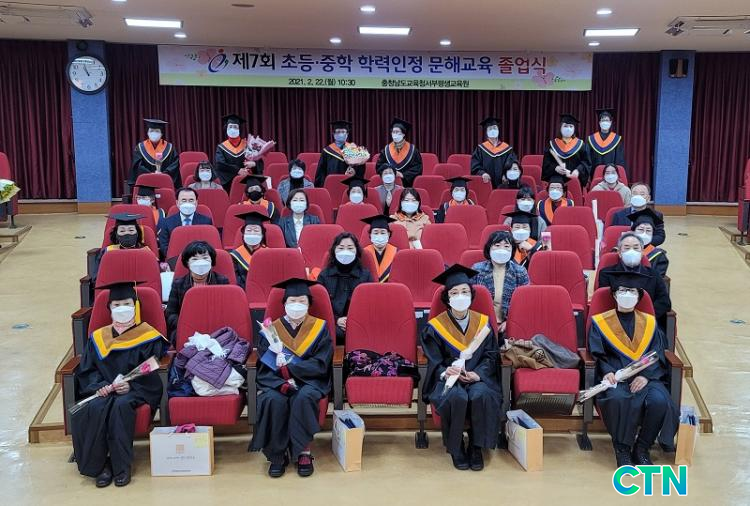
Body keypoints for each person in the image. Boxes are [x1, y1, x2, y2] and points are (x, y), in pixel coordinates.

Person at [70, 281, 168, 487]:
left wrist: (131, 386)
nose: (122, 308)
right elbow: (87, 370)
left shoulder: (148, 336)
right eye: (116, 305)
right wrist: (99, 386)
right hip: (104, 390)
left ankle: (121, 466)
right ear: (109, 309)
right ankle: (102, 467)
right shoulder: (98, 338)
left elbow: (151, 367)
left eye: (127, 304)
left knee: (120, 406)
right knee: (94, 407)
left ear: (135, 306)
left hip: (134, 390)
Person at [588, 271, 678, 467]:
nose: (627, 295)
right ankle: (622, 450)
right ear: (614, 294)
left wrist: (646, 376)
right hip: (616, 378)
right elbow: (597, 353)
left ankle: (642, 447)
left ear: (639, 296)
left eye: (632, 291)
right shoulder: (600, 322)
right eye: (622, 290)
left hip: (647, 378)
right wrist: (607, 371)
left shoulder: (650, 323)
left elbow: (658, 353)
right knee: (618, 399)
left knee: (659, 400)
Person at [421, 264, 502, 470]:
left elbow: (491, 356)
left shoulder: (483, 324)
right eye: (454, 292)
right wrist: (444, 371)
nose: (460, 296)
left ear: (471, 295)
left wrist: (477, 374)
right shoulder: (435, 327)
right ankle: (456, 448)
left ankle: (476, 447)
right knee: (456, 396)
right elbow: (434, 361)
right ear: (447, 297)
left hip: (477, 377)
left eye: (465, 291)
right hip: (449, 381)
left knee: (480, 394)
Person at [250, 278, 333, 478]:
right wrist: (282, 382)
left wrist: (292, 368)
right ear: (284, 304)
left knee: (304, 397)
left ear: (309, 304)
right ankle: (277, 454)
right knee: (272, 399)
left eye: (302, 301)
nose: (297, 305)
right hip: (277, 381)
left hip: (310, 380)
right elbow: (265, 363)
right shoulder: (271, 330)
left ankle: (303, 451)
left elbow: (321, 362)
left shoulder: (319, 328)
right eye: (292, 301)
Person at [597, 232, 671, 325]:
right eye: (627, 248)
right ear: (619, 253)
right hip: (615, 323)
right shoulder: (606, 274)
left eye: (636, 248)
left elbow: (664, 302)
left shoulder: (653, 274)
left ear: (642, 252)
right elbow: (605, 302)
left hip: (647, 322)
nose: (631, 251)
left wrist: (645, 318)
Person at [165, 241, 229, 343]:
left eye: (205, 258)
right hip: (187, 331)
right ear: (187, 263)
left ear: (211, 261)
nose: (200, 263)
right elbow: (171, 313)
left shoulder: (222, 281)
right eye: (195, 259)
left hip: (216, 330)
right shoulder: (178, 284)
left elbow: (227, 312)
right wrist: (186, 325)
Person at [317, 232, 373, 343]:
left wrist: (353, 321)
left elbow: (371, 304)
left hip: (360, 324)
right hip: (332, 324)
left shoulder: (365, 275)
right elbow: (320, 306)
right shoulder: (324, 275)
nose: (345, 252)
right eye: (341, 248)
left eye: (350, 248)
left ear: (357, 251)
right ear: (334, 250)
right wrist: (337, 320)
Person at [470, 231, 530, 330]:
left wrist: (510, 322)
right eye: (497, 245)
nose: (502, 250)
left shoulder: (520, 272)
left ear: (512, 250)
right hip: (481, 324)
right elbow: (471, 299)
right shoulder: (477, 269)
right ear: (489, 248)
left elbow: (524, 303)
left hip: (509, 324)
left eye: (506, 246)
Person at [92, 213, 151, 282]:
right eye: (122, 231)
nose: (127, 233)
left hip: (140, 286)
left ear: (137, 233)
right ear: (116, 234)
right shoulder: (108, 251)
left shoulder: (146, 252)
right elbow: (97, 276)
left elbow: (152, 275)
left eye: (131, 230)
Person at [158, 187, 213, 259]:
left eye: (191, 200)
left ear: (196, 203)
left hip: (199, 258)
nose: (187, 203)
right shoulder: (166, 222)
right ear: (177, 203)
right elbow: (164, 247)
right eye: (184, 200)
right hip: (175, 259)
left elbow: (209, 245)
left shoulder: (206, 221)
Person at [214, 114, 263, 192]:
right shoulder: (221, 147)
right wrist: (238, 170)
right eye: (230, 127)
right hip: (229, 183)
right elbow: (220, 165)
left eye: (235, 127)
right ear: (226, 129)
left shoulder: (248, 144)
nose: (232, 129)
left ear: (239, 129)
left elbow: (260, 163)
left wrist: (254, 164)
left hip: (248, 181)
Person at [542, 113, 591, 187]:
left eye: (571, 126)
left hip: (574, 180)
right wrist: (555, 168)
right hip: (556, 180)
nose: (568, 129)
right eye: (565, 126)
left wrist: (578, 170)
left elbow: (586, 162)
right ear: (560, 128)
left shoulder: (581, 145)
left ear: (574, 129)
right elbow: (546, 163)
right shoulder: (552, 145)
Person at [470, 116, 521, 189]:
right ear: (487, 132)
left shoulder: (507, 149)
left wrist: (506, 175)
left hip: (504, 184)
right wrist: (482, 173)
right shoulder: (480, 149)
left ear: (498, 130)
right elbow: (475, 166)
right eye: (490, 129)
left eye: (494, 128)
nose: (493, 130)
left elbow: (512, 163)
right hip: (486, 184)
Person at [128, 118, 180, 187]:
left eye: (157, 131)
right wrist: (151, 174)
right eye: (151, 131)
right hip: (146, 184)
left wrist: (164, 174)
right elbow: (137, 166)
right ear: (148, 133)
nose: (154, 133)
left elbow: (174, 165)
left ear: (161, 134)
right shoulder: (140, 147)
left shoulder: (170, 148)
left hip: (165, 182)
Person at [229, 211, 271, 289]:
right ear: (243, 233)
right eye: (248, 230)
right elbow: (235, 279)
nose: (252, 233)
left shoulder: (269, 254)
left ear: (262, 235)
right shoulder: (235, 256)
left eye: (256, 231)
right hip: (242, 291)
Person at [314, 120, 364, 187]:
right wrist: (323, 186)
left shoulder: (354, 150)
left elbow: (360, 169)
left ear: (347, 134)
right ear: (333, 134)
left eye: (343, 132)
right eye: (338, 132)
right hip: (332, 185)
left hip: (349, 185)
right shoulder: (327, 151)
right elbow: (321, 172)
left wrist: (354, 171)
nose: (341, 134)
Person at [375, 117, 423, 187]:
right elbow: (379, 166)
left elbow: (417, 168)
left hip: (407, 185)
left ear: (403, 134)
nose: (395, 134)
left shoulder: (413, 150)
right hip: (388, 182)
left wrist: (403, 175)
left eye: (397, 132)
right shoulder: (386, 150)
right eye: (393, 132)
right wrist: (389, 172)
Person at [629, 208, 669, 277]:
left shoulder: (658, 256)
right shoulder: (622, 250)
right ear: (633, 232)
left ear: (652, 234)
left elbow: (658, 279)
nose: (644, 234)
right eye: (640, 229)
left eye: (648, 230)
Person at [586, 107, 626, 172]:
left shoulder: (616, 139)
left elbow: (619, 160)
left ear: (610, 122)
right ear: (599, 122)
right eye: (603, 120)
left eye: (607, 120)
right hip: (594, 173)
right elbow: (588, 159)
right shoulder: (591, 139)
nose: (605, 122)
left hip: (611, 173)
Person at [361, 214, 399, 282]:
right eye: (375, 233)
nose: (379, 236)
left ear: (388, 234)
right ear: (370, 235)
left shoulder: (397, 253)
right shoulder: (363, 254)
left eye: (383, 233)